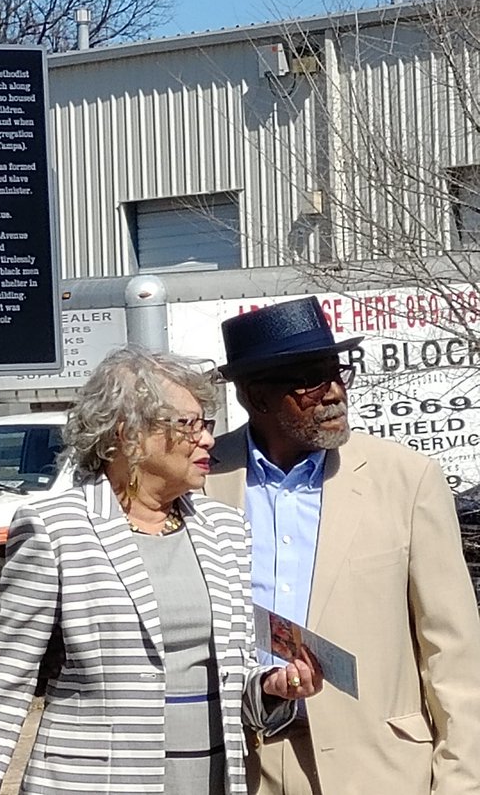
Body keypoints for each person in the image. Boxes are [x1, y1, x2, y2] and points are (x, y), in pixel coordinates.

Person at [0, 346, 318, 795]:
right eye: (189, 425)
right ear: (127, 434)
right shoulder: (54, 527)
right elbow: (4, 681)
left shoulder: (226, 529)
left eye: (206, 424)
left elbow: (233, 685)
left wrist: (272, 691)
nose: (207, 440)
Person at [205, 296, 480, 795]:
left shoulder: (405, 479)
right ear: (255, 395)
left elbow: (454, 651)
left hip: (381, 766)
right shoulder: (203, 479)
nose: (333, 392)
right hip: (243, 762)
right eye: (310, 379)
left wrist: (461, 781)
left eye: (337, 372)